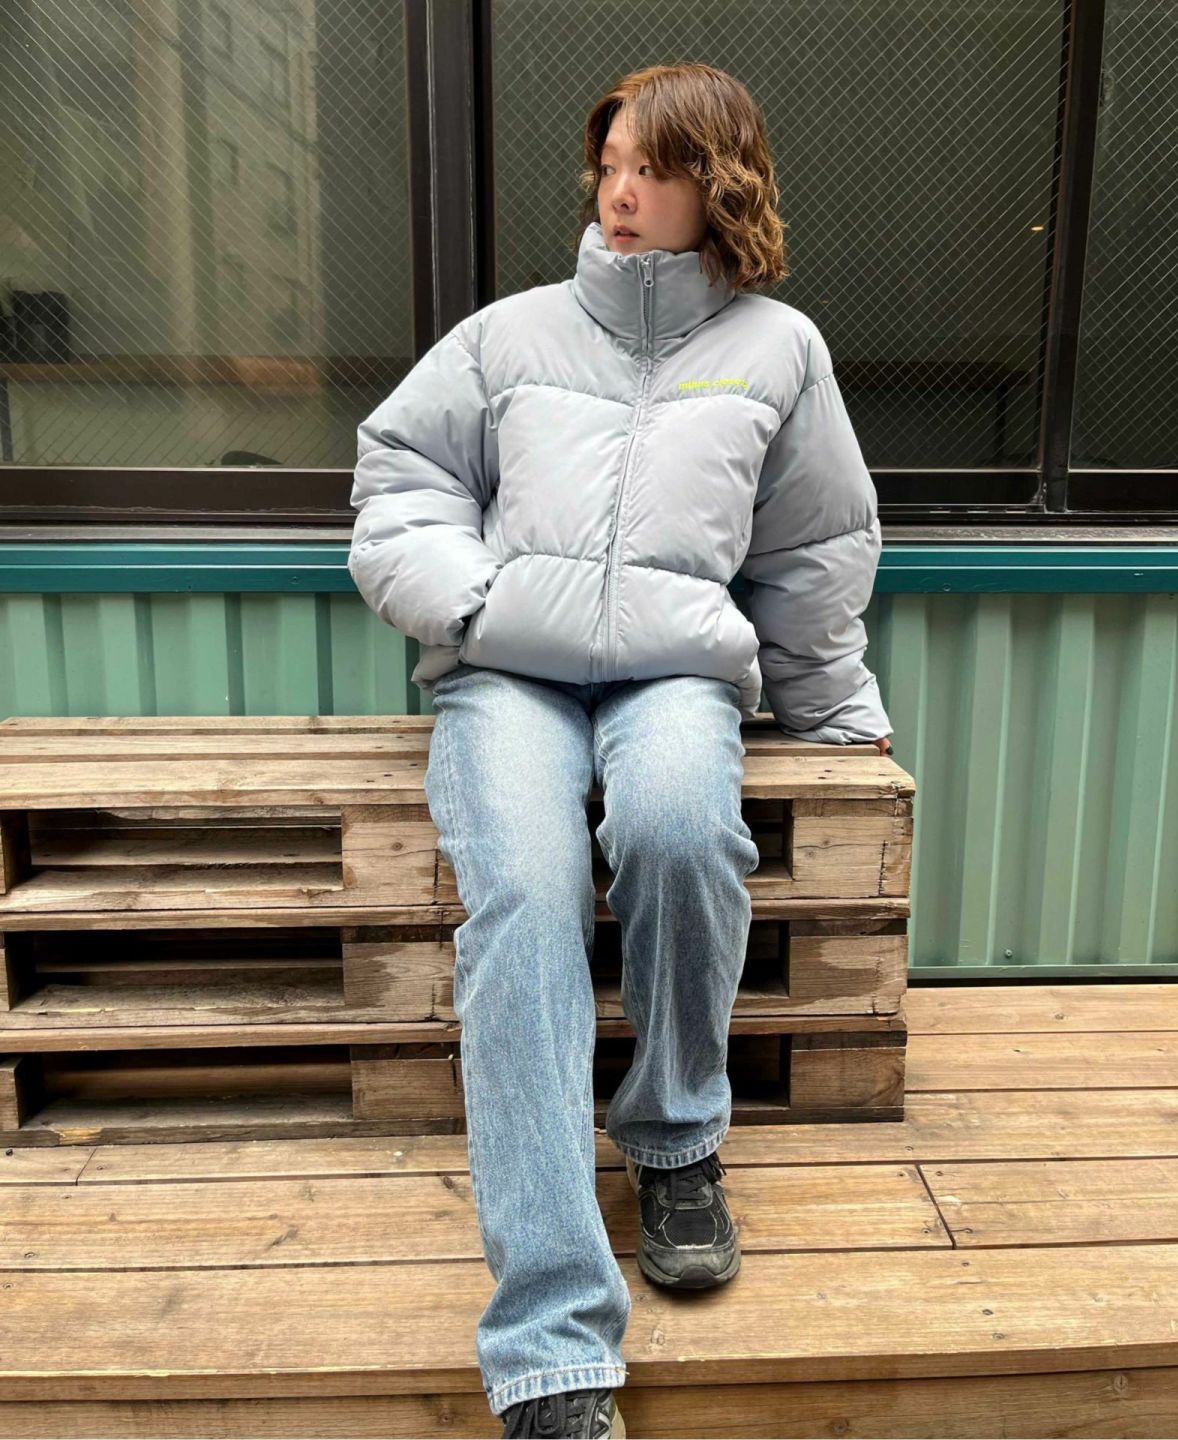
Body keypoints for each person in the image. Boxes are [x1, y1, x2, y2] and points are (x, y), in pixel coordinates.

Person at [348, 62, 893, 1440]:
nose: (622, 191)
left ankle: (676, 1139)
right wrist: (475, 605)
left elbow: (815, 550)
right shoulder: (508, 335)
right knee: (526, 895)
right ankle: (550, 1346)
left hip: (674, 676)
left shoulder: (779, 350)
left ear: (720, 179)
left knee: (678, 832)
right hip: (509, 680)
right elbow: (401, 482)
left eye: (653, 166)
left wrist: (837, 713)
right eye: (609, 166)